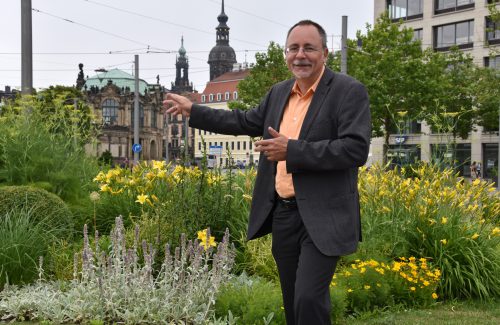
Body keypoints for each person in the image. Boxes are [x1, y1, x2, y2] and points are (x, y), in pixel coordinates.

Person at [163, 20, 371, 325]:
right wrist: (194, 110)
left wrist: (293, 150)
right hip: (285, 213)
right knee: (292, 301)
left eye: (309, 48)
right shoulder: (279, 93)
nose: (300, 55)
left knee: (309, 298)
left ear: (324, 53)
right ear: (286, 54)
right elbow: (242, 121)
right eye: (294, 48)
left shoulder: (347, 91)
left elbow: (355, 149)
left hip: (325, 215)